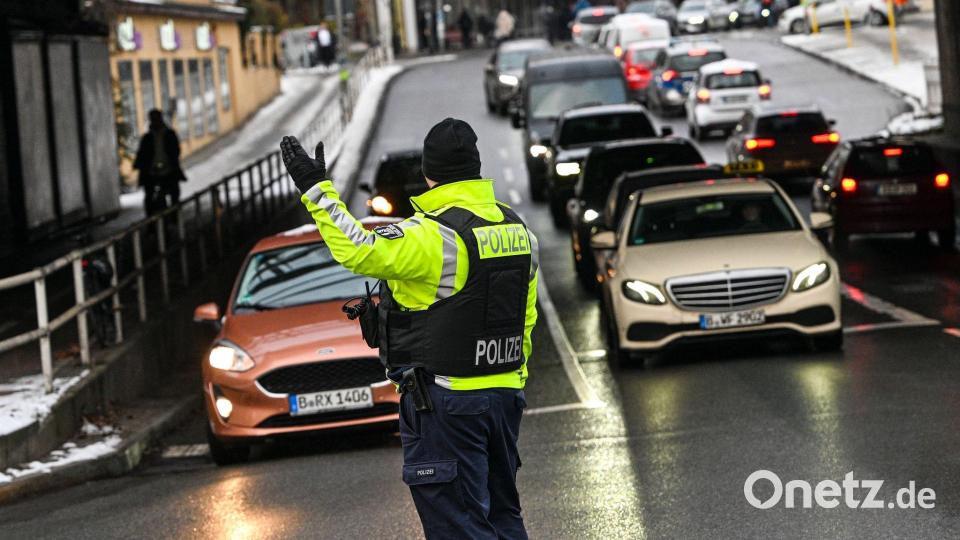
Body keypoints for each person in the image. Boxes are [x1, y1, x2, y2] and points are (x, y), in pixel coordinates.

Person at [280, 118, 538, 539]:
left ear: (428, 174)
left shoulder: (434, 237)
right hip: (504, 396)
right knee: (502, 519)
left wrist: (316, 188)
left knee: (460, 527)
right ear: (476, 167)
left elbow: (357, 248)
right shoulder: (518, 230)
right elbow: (525, 315)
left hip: (448, 402)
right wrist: (513, 377)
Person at [133, 109, 185, 215]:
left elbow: (176, 151)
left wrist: (170, 163)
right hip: (151, 173)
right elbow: (141, 155)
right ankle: (151, 223)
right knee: (149, 197)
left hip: (169, 170)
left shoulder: (170, 134)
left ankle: (175, 217)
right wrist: (140, 165)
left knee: (174, 193)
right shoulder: (147, 138)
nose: (155, 121)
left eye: (157, 119)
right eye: (153, 119)